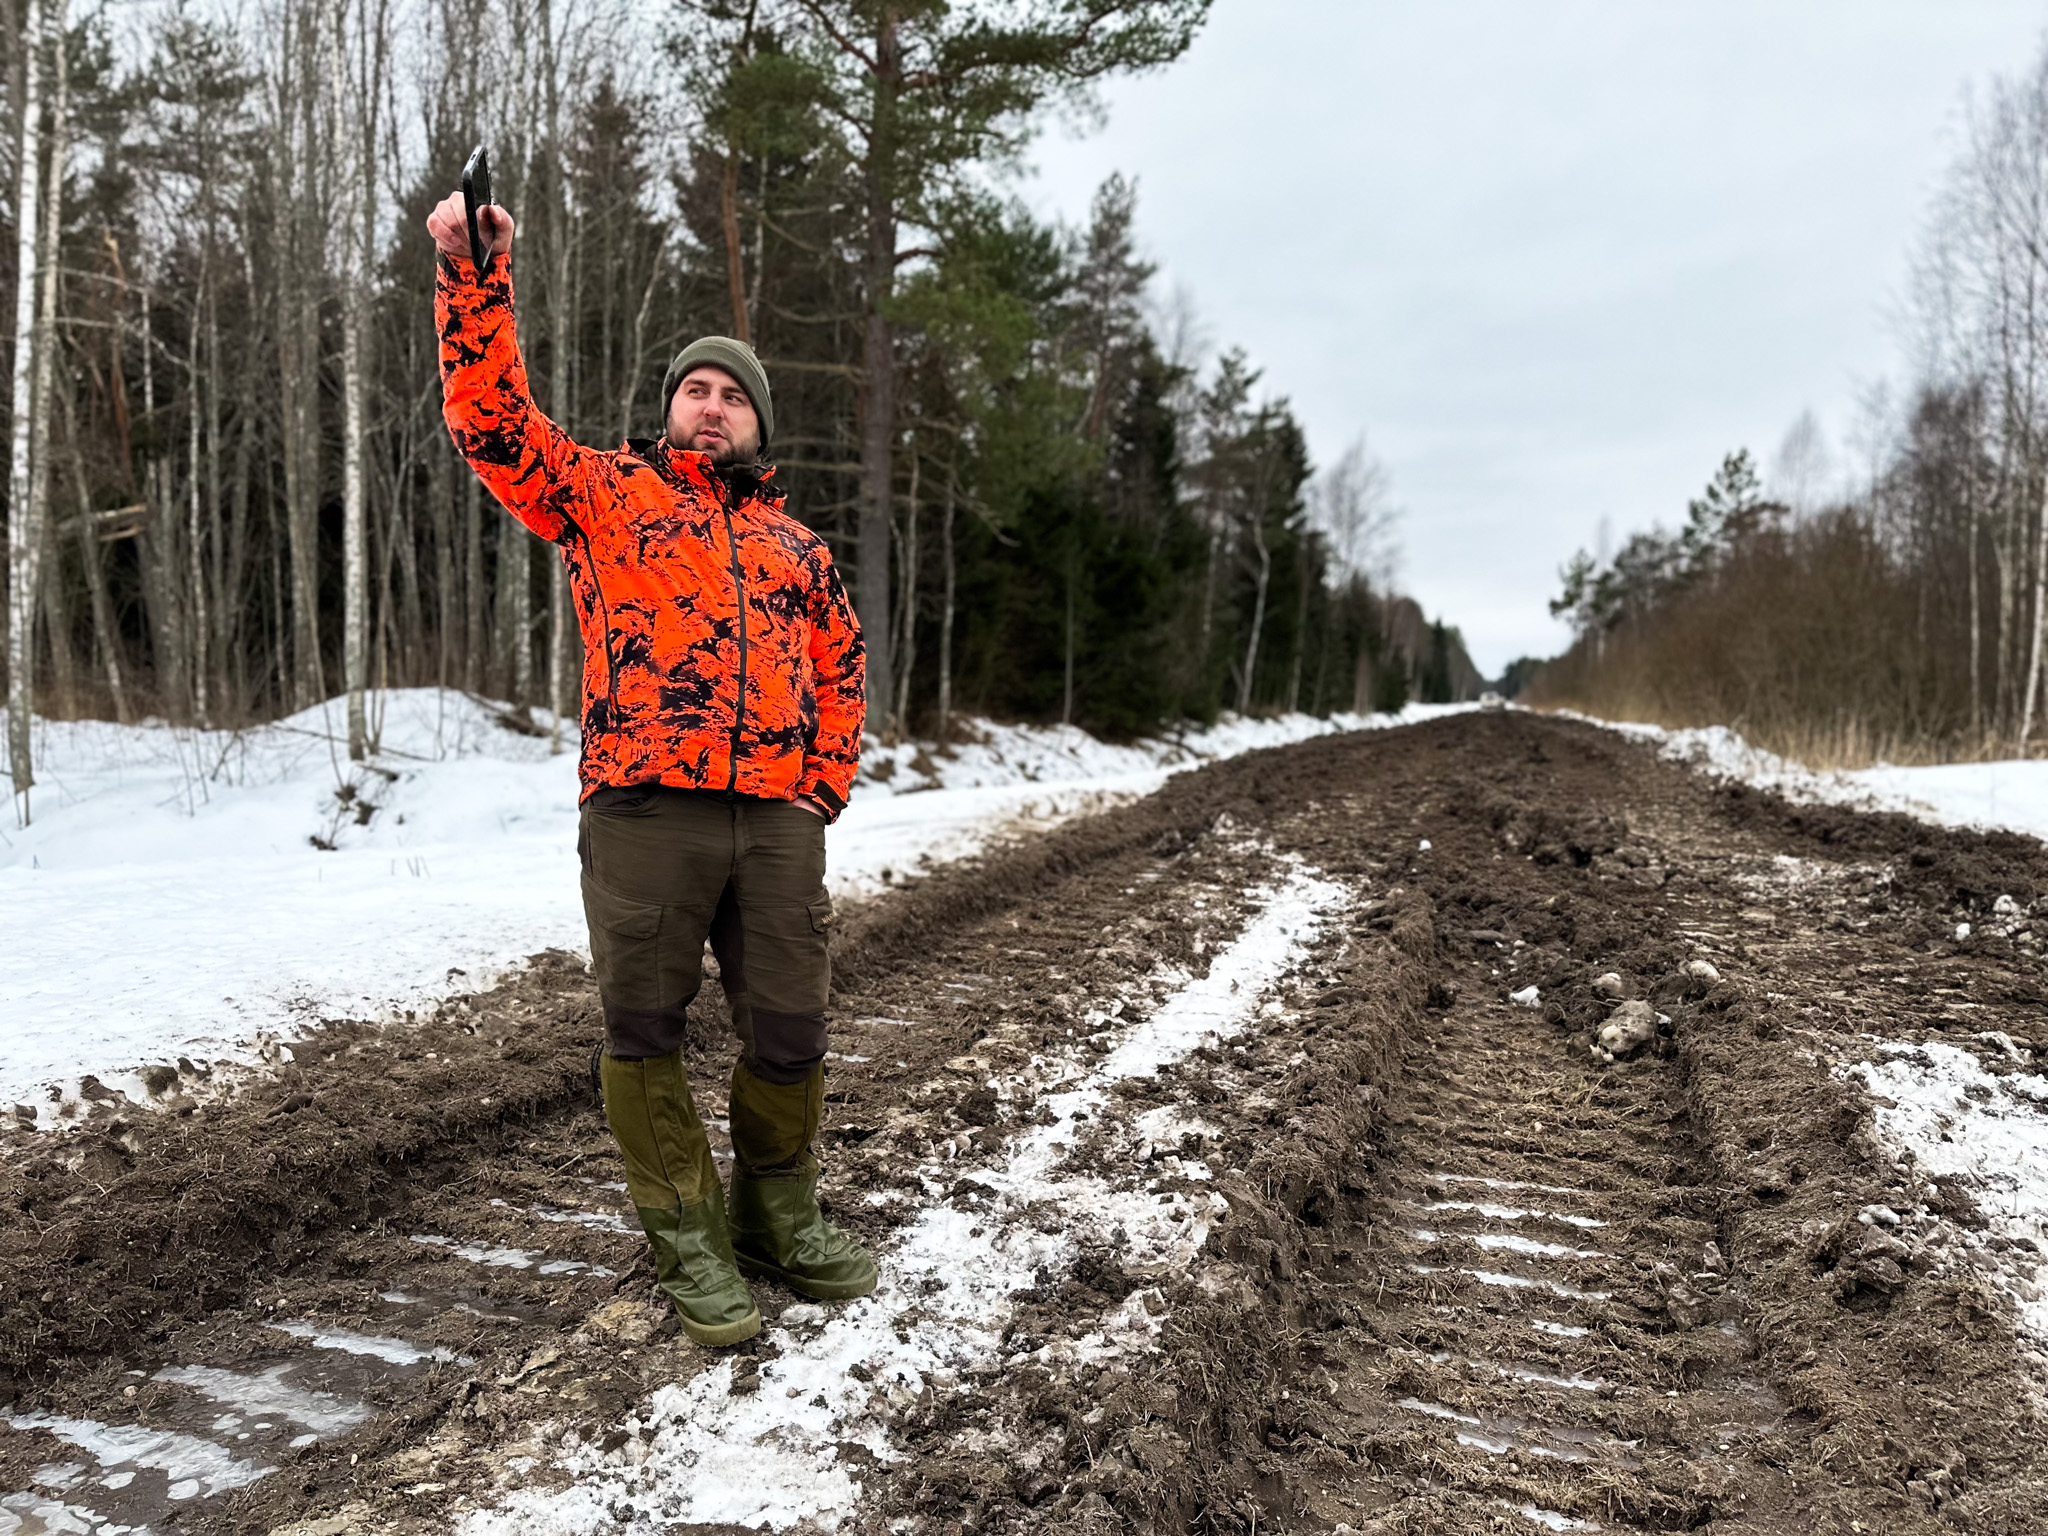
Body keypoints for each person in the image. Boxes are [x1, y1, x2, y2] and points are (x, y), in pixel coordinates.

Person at [426, 189, 874, 1347]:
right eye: (694, 389)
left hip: (775, 819)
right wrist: (474, 279)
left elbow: (842, 665)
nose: (710, 405)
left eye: (731, 395)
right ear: (670, 411)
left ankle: (774, 1213)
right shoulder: (604, 495)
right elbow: (492, 427)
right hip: (643, 807)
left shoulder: (796, 548)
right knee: (646, 1029)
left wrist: (821, 786)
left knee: (791, 1028)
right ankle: (685, 1237)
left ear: (758, 427)